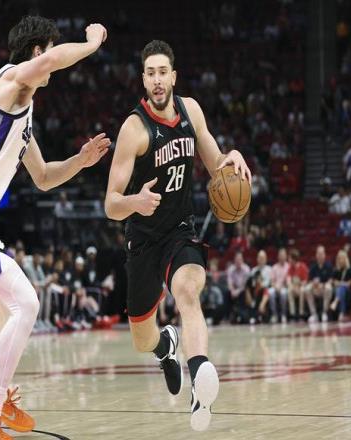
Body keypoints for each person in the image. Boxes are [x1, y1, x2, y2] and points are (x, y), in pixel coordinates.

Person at [0, 16, 110, 439]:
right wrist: (90, 44)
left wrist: (80, 161)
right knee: (27, 305)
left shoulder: (23, 111)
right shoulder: (10, 82)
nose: (50, 64)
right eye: (47, 51)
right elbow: (52, 60)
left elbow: (45, 176)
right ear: (37, 52)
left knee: (3, 309)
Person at [104, 40, 251, 431]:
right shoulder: (134, 129)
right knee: (141, 338)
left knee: (188, 291)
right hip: (143, 238)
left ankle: (199, 379)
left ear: (173, 77)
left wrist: (231, 157)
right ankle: (165, 346)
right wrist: (135, 201)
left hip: (180, 230)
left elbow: (215, 162)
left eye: (162, 72)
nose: (157, 80)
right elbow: (110, 204)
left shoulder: (191, 111)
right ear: (143, 79)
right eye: (150, 73)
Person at [304, 245, 333, 323]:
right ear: (316, 255)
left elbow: (331, 280)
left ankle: (324, 312)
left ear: (324, 255)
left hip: (324, 288)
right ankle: (313, 314)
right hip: (315, 289)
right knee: (307, 289)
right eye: (318, 254)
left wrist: (322, 285)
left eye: (322, 254)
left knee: (329, 288)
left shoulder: (328, 266)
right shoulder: (313, 266)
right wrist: (314, 284)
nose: (320, 256)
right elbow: (309, 280)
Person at [329, 250, 351, 321]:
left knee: (341, 289)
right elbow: (334, 282)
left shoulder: (349, 270)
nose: (341, 260)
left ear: (345, 259)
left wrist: (340, 283)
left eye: (342, 258)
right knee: (340, 290)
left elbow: (349, 284)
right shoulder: (336, 270)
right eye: (339, 258)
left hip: (348, 290)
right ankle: (341, 313)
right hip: (337, 290)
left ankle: (336, 302)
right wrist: (343, 283)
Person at [269, 248, 289, 323]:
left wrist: (282, 286)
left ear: (286, 256)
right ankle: (274, 314)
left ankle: (283, 314)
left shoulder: (288, 267)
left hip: (284, 287)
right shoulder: (274, 267)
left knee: (283, 293)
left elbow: (288, 281)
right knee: (270, 293)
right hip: (275, 287)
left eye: (283, 255)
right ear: (278, 257)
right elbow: (272, 281)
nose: (282, 257)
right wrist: (276, 287)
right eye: (281, 255)